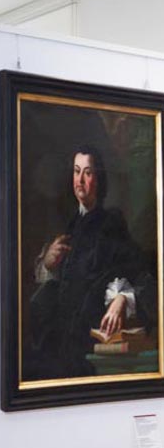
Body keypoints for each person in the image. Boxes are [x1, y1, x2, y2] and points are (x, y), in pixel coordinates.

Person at [26, 145, 156, 380]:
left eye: (88, 173)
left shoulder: (111, 223)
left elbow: (135, 270)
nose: (80, 180)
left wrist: (122, 298)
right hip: (57, 338)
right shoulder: (68, 224)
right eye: (77, 172)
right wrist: (48, 263)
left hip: (88, 337)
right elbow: (59, 281)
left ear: (99, 179)